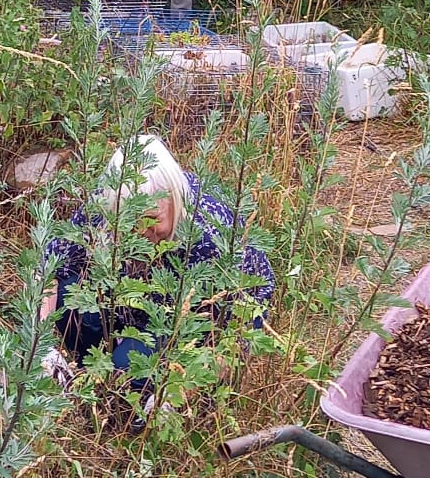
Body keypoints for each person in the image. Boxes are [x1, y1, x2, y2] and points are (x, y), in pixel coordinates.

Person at [39, 134, 273, 416]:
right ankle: (92, 377)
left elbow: (238, 331)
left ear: (174, 197)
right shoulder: (105, 205)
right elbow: (51, 266)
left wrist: (180, 390)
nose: (141, 232)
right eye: (130, 220)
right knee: (69, 296)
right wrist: (41, 346)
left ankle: (132, 390)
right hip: (133, 304)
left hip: (186, 323)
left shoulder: (210, 232)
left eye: (152, 221)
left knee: (128, 374)